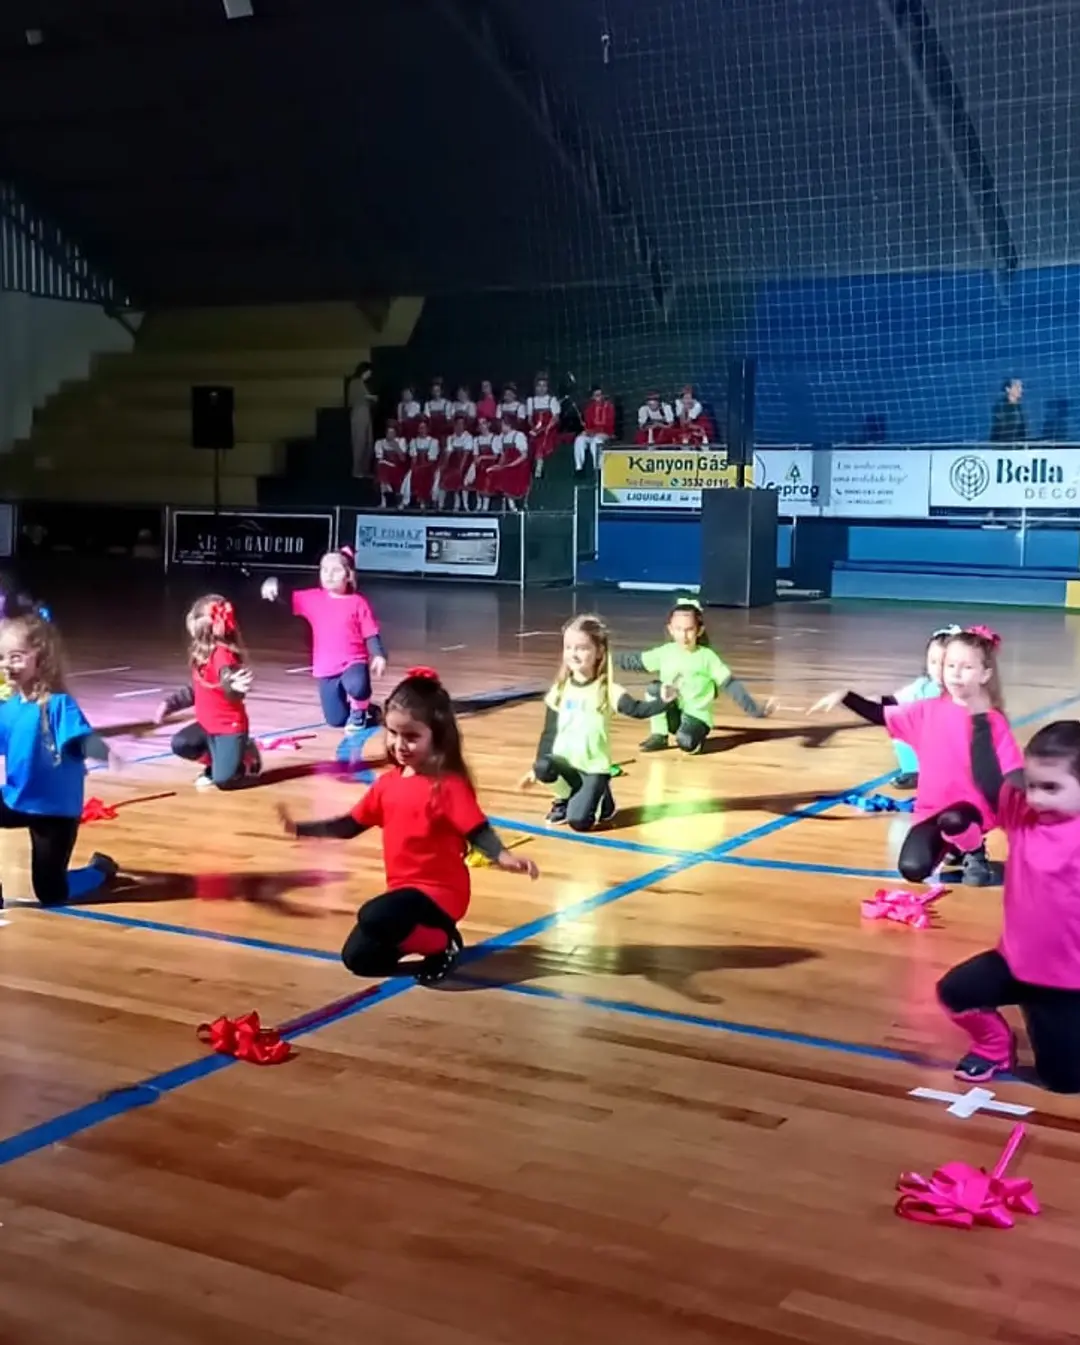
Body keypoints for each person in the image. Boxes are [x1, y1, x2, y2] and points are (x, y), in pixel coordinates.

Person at [279, 667, 539, 984]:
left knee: (373, 915)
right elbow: (349, 825)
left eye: (412, 736)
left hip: (441, 895)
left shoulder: (447, 785)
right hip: (402, 896)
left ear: (437, 736)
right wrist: (303, 829)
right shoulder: (386, 785)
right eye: (392, 733)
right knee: (358, 959)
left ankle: (444, 944)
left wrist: (503, 856)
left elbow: (476, 828)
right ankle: (421, 937)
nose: (399, 744)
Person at [810, 626, 1021, 887]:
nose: (955, 673)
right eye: (950, 665)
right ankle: (956, 843)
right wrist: (846, 696)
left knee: (955, 819)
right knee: (912, 868)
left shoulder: (991, 722)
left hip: (973, 810)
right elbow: (882, 714)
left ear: (985, 674)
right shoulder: (924, 711)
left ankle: (975, 852)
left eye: (967, 667)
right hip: (932, 810)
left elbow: (1012, 772)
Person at [937, 720, 1080, 1093]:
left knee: (1065, 1082)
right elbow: (991, 777)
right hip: (1014, 964)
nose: (1035, 798)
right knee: (953, 992)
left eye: (1051, 788)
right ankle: (995, 1046)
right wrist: (982, 717)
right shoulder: (1023, 817)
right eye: (1033, 786)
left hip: (1068, 982)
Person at [0, 613, 120, 906]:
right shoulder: (9, 707)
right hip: (16, 800)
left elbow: (81, 738)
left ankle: (99, 870)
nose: (6, 665)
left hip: (55, 812)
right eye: (2, 658)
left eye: (16, 657)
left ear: (40, 659)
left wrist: (103, 753)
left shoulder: (58, 704)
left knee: (51, 893)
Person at [526, 614, 673, 830]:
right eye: (568, 647)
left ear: (599, 652)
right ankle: (564, 799)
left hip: (592, 767)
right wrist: (535, 768)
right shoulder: (559, 690)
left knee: (580, 823)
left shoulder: (609, 692)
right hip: (566, 765)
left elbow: (639, 710)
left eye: (582, 648)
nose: (573, 654)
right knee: (542, 766)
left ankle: (602, 797)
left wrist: (665, 701)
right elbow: (549, 732)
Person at [615, 597, 774, 754]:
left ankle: (692, 737)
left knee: (686, 742)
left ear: (699, 630)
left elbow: (731, 685)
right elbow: (635, 661)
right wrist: (603, 657)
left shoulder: (707, 657)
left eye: (689, 630)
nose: (683, 636)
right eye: (678, 629)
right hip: (674, 711)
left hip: (696, 716)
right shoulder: (666, 652)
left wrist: (755, 710)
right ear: (670, 629)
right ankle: (659, 735)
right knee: (655, 688)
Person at [261, 548, 387, 735]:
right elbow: (288, 595)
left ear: (348, 575)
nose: (329, 575)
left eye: (335, 570)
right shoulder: (313, 598)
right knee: (335, 720)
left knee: (358, 685)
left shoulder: (357, 602)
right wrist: (274, 586)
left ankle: (359, 710)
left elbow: (370, 632)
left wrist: (378, 654)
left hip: (353, 661)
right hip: (326, 667)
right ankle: (367, 709)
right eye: (324, 569)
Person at [157, 595, 262, 789]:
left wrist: (235, 687)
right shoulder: (201, 654)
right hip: (207, 725)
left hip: (228, 728)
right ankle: (216, 763)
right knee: (181, 743)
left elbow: (230, 685)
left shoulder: (223, 655)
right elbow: (198, 689)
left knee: (224, 781)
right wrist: (171, 704)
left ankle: (245, 754)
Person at [573, 384, 615, 474]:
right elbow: (588, 425)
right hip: (592, 433)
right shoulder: (589, 408)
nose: (599, 397)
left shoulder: (609, 407)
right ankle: (579, 468)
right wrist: (586, 430)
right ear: (592, 397)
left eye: (600, 395)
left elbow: (609, 425)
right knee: (579, 439)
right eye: (596, 395)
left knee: (595, 442)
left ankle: (598, 469)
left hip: (605, 434)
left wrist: (594, 432)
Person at [526, 373, 561, 478]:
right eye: (539, 385)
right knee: (530, 440)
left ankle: (538, 469)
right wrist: (534, 428)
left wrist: (545, 428)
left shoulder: (552, 400)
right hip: (535, 429)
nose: (541, 388)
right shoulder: (530, 401)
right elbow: (529, 419)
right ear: (535, 387)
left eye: (544, 386)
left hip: (549, 430)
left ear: (547, 388)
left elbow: (556, 418)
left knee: (542, 441)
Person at [346, 361, 376, 479]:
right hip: (359, 413)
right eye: (369, 372)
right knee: (359, 442)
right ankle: (357, 470)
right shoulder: (355, 382)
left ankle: (365, 469)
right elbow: (361, 396)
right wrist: (373, 397)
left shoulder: (362, 383)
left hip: (365, 412)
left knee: (368, 441)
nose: (369, 375)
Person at [373, 421, 410, 509]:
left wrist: (396, 446)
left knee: (383, 473)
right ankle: (385, 498)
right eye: (388, 432)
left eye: (392, 432)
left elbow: (403, 459)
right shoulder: (380, 443)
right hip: (385, 468)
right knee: (382, 467)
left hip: (398, 468)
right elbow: (379, 459)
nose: (390, 434)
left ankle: (389, 494)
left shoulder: (401, 441)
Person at [989, 377, 1027, 443]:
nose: (1021, 389)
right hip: (1004, 446)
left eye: (1021, 387)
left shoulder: (1019, 406)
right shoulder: (1001, 406)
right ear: (1008, 389)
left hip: (1018, 445)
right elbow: (1001, 428)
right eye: (1017, 387)